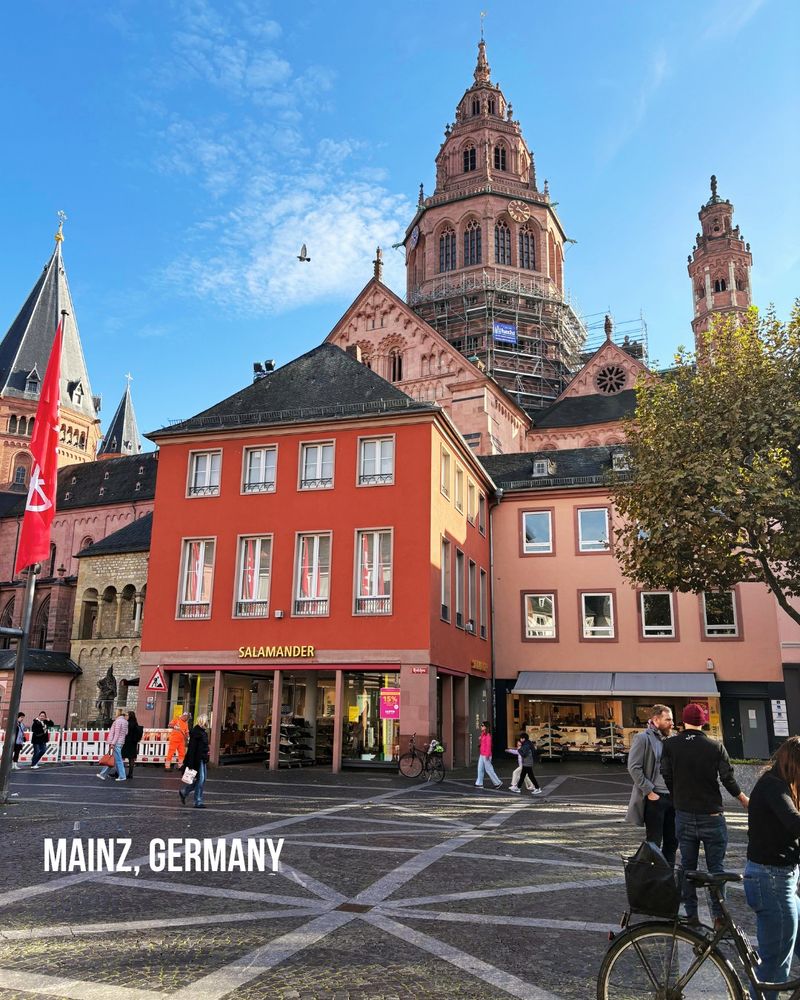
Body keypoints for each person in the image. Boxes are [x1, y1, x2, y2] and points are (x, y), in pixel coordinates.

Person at [661, 702, 749, 929]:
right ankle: (720, 919)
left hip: (684, 815)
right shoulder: (714, 746)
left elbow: (666, 774)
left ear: (683, 721)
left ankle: (691, 914)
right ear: (703, 722)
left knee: (687, 868)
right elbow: (727, 778)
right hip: (712, 815)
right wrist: (742, 799)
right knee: (716, 869)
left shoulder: (670, 745)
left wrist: (677, 795)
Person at [744, 736, 800, 989]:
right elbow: (794, 823)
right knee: (775, 965)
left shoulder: (779, 784)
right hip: (771, 880)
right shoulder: (773, 787)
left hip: (780, 877)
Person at [625, 704, 678, 864]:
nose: (672, 723)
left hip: (673, 798)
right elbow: (633, 767)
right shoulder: (643, 738)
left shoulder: (673, 739)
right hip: (655, 798)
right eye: (668, 719)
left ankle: (667, 878)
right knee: (654, 843)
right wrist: (649, 792)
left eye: (672, 720)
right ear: (656, 720)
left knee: (673, 842)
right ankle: (653, 879)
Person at [180, 714, 209, 809]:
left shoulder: (202, 732)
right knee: (200, 780)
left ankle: (185, 792)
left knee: (202, 779)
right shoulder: (197, 733)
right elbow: (192, 749)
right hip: (198, 759)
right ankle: (198, 801)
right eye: (206, 721)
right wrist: (191, 763)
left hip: (202, 758)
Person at [97, 708, 128, 782]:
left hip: (116, 743)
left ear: (118, 713)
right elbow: (126, 733)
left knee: (118, 760)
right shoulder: (125, 722)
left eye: (116, 712)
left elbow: (116, 734)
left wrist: (112, 743)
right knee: (111, 758)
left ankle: (122, 776)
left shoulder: (117, 721)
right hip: (120, 742)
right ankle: (103, 774)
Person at [475, 721, 502, 789]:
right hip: (482, 754)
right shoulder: (483, 734)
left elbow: (488, 746)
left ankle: (497, 782)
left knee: (489, 769)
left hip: (486, 755)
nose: (481, 726)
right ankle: (479, 783)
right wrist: (480, 739)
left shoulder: (488, 736)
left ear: (486, 727)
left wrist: (487, 756)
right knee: (480, 768)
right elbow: (482, 742)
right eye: (481, 725)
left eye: (482, 725)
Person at [121, 711, 143, 780]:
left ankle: (119, 772)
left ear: (130, 716)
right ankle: (130, 774)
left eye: (127, 715)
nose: (126, 716)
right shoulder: (135, 723)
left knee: (121, 758)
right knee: (131, 759)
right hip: (133, 743)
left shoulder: (127, 723)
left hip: (127, 742)